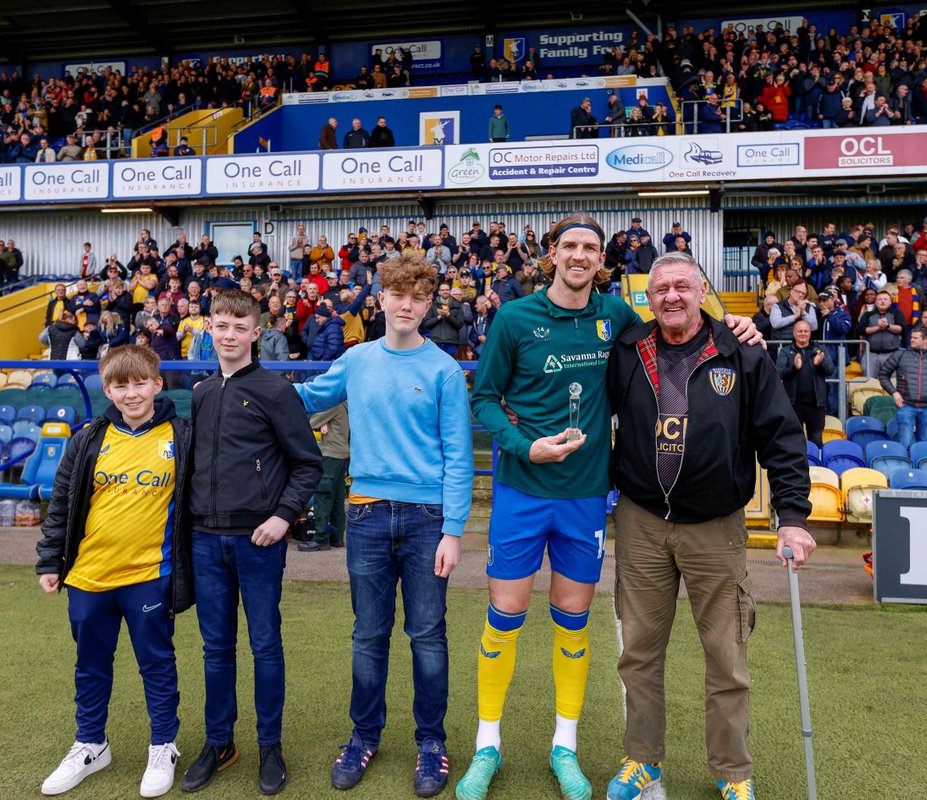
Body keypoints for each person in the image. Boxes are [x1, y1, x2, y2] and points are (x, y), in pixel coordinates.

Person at [460, 215, 757, 800]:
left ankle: (563, 748)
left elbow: (685, 326)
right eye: (569, 246)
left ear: (602, 262)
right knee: (506, 616)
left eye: (590, 248)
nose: (579, 255)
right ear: (552, 254)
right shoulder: (515, 318)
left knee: (573, 619)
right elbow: (485, 400)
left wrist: (737, 327)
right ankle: (486, 745)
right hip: (522, 491)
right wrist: (524, 446)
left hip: (587, 495)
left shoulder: (617, 317)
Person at [603, 251, 815, 800]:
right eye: (660, 289)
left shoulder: (739, 351)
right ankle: (642, 761)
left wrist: (791, 517)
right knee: (639, 654)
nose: (671, 296)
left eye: (681, 286)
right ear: (646, 299)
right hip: (642, 521)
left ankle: (732, 773)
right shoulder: (627, 351)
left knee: (726, 657)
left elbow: (783, 437)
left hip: (715, 527)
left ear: (702, 291)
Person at [294, 254, 472, 798]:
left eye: (418, 298)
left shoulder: (443, 369)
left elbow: (458, 455)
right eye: (398, 295)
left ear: (428, 305)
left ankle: (431, 744)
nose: (407, 306)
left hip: (426, 522)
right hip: (367, 515)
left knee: (427, 635)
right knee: (368, 635)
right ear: (382, 297)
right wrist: (243, 388)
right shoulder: (356, 359)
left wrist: (454, 530)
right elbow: (306, 400)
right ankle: (363, 736)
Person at [35, 346, 194, 799]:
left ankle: (163, 745)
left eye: (140, 383)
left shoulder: (181, 436)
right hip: (88, 576)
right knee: (90, 666)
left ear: (157, 384)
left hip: (149, 575)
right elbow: (62, 504)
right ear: (107, 389)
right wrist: (50, 560)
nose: (131, 393)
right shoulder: (88, 438)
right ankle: (91, 744)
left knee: (156, 664)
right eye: (120, 386)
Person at [181, 290, 323, 795]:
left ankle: (271, 746)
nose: (228, 335)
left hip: (259, 541)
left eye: (239, 327)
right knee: (215, 648)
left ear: (256, 333)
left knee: (265, 645)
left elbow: (308, 463)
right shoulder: (200, 392)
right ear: (209, 328)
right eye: (220, 325)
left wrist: (283, 517)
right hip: (205, 539)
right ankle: (219, 742)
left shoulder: (275, 390)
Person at [879, 327, 927, 448]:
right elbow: (883, 375)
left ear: (926, 340)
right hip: (905, 405)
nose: (911, 340)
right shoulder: (900, 355)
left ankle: (923, 465)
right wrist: (894, 393)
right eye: (911, 337)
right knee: (904, 442)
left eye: (915, 338)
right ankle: (902, 464)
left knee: (924, 444)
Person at [299, 402, 349, 552]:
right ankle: (336, 537)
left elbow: (312, 422)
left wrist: (323, 421)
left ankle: (320, 539)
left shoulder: (334, 406)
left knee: (323, 495)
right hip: (342, 454)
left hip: (330, 453)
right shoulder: (346, 406)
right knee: (338, 497)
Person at [777, 320, 834, 445]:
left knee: (816, 440)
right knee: (794, 440)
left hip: (816, 405)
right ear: (794, 333)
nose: (803, 333)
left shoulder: (819, 349)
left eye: (806, 331)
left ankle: (815, 464)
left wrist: (820, 364)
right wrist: (794, 368)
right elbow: (780, 373)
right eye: (800, 331)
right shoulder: (786, 351)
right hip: (794, 404)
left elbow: (830, 370)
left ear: (810, 333)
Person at [859, 289, 905, 377]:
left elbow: (901, 329)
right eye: (880, 299)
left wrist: (888, 326)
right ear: (875, 302)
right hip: (871, 354)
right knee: (870, 380)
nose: (882, 301)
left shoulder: (896, 313)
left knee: (892, 380)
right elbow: (861, 330)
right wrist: (878, 327)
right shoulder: (868, 314)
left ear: (890, 302)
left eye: (885, 299)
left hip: (892, 353)